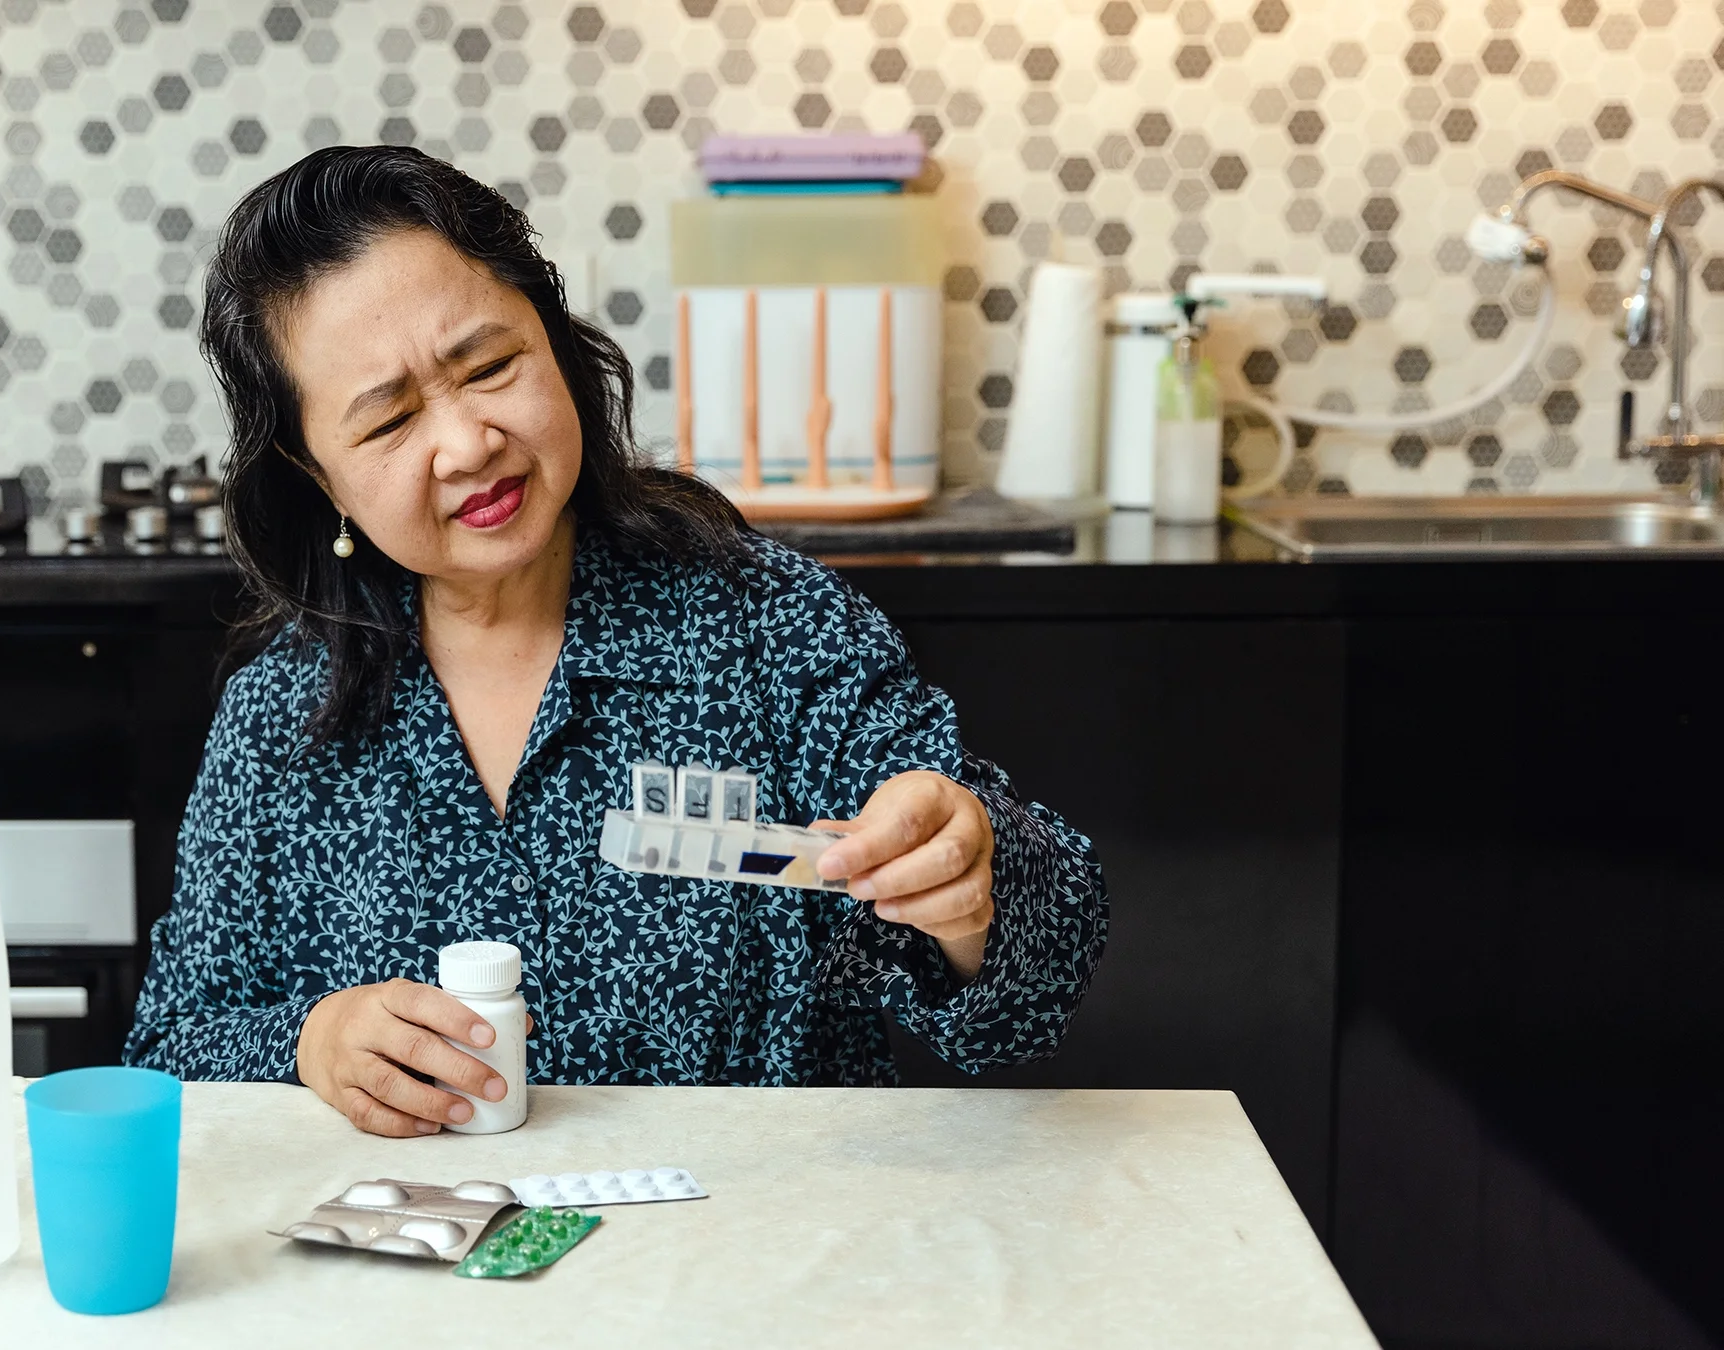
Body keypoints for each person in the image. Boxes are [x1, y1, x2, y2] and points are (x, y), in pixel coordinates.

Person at [124, 146, 1107, 1137]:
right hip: (423, 1276)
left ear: (554, 342)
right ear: (315, 472)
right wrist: (310, 1040)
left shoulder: (766, 627)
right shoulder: (280, 718)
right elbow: (168, 1046)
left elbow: (1025, 1006)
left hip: (756, 1255)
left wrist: (969, 890)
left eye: (491, 365)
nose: (467, 443)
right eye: (389, 421)